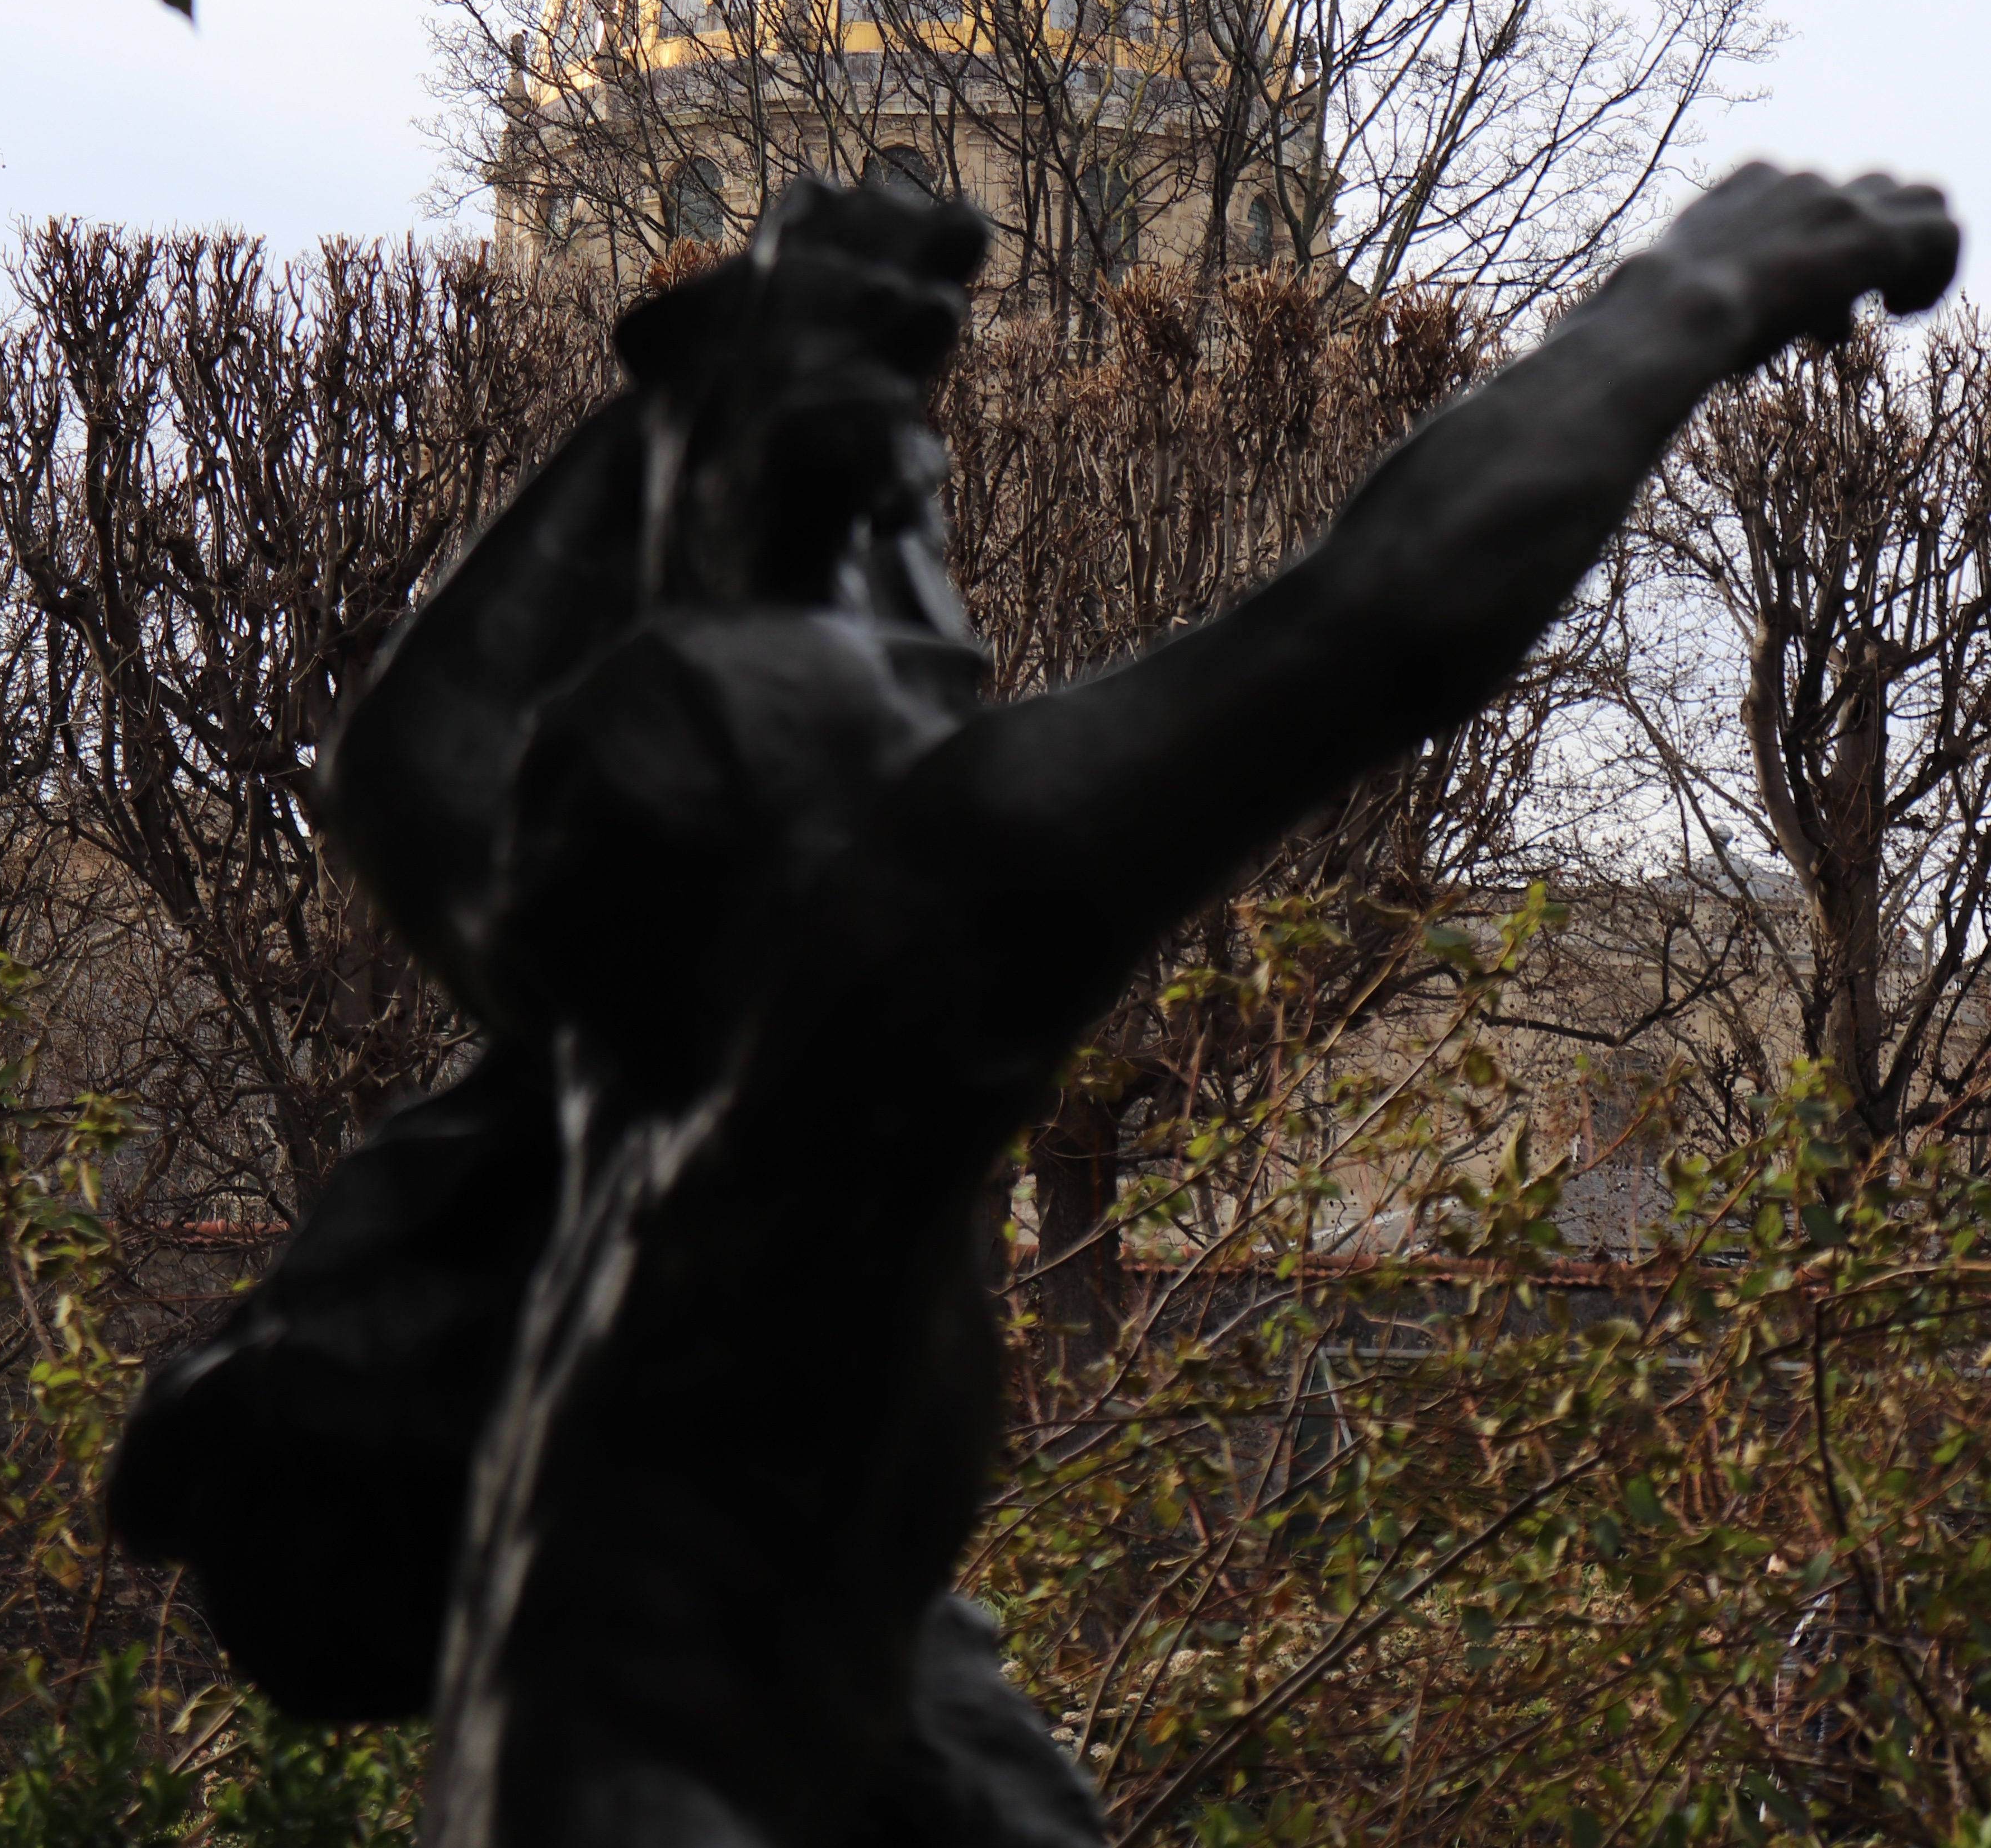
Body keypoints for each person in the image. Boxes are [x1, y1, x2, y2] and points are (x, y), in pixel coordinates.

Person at [110, 163, 1958, 1848]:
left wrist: (717, 406)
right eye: (899, 549)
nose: (955, 643)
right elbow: (1377, 617)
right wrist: (1691, 292)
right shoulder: (876, 972)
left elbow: (410, 757)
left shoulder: (608, 1010)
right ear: (861, 804)